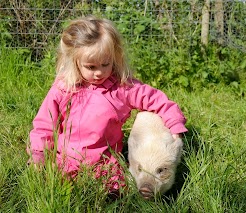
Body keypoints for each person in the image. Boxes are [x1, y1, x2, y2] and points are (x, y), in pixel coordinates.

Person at [27, 16, 187, 196]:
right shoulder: (64, 89)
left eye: (105, 64)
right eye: (91, 66)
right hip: (67, 161)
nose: (99, 72)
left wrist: (175, 125)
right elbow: (44, 126)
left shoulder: (121, 88)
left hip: (106, 164)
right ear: (75, 61)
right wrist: (38, 155)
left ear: (115, 58)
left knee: (117, 193)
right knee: (60, 192)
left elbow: (157, 100)